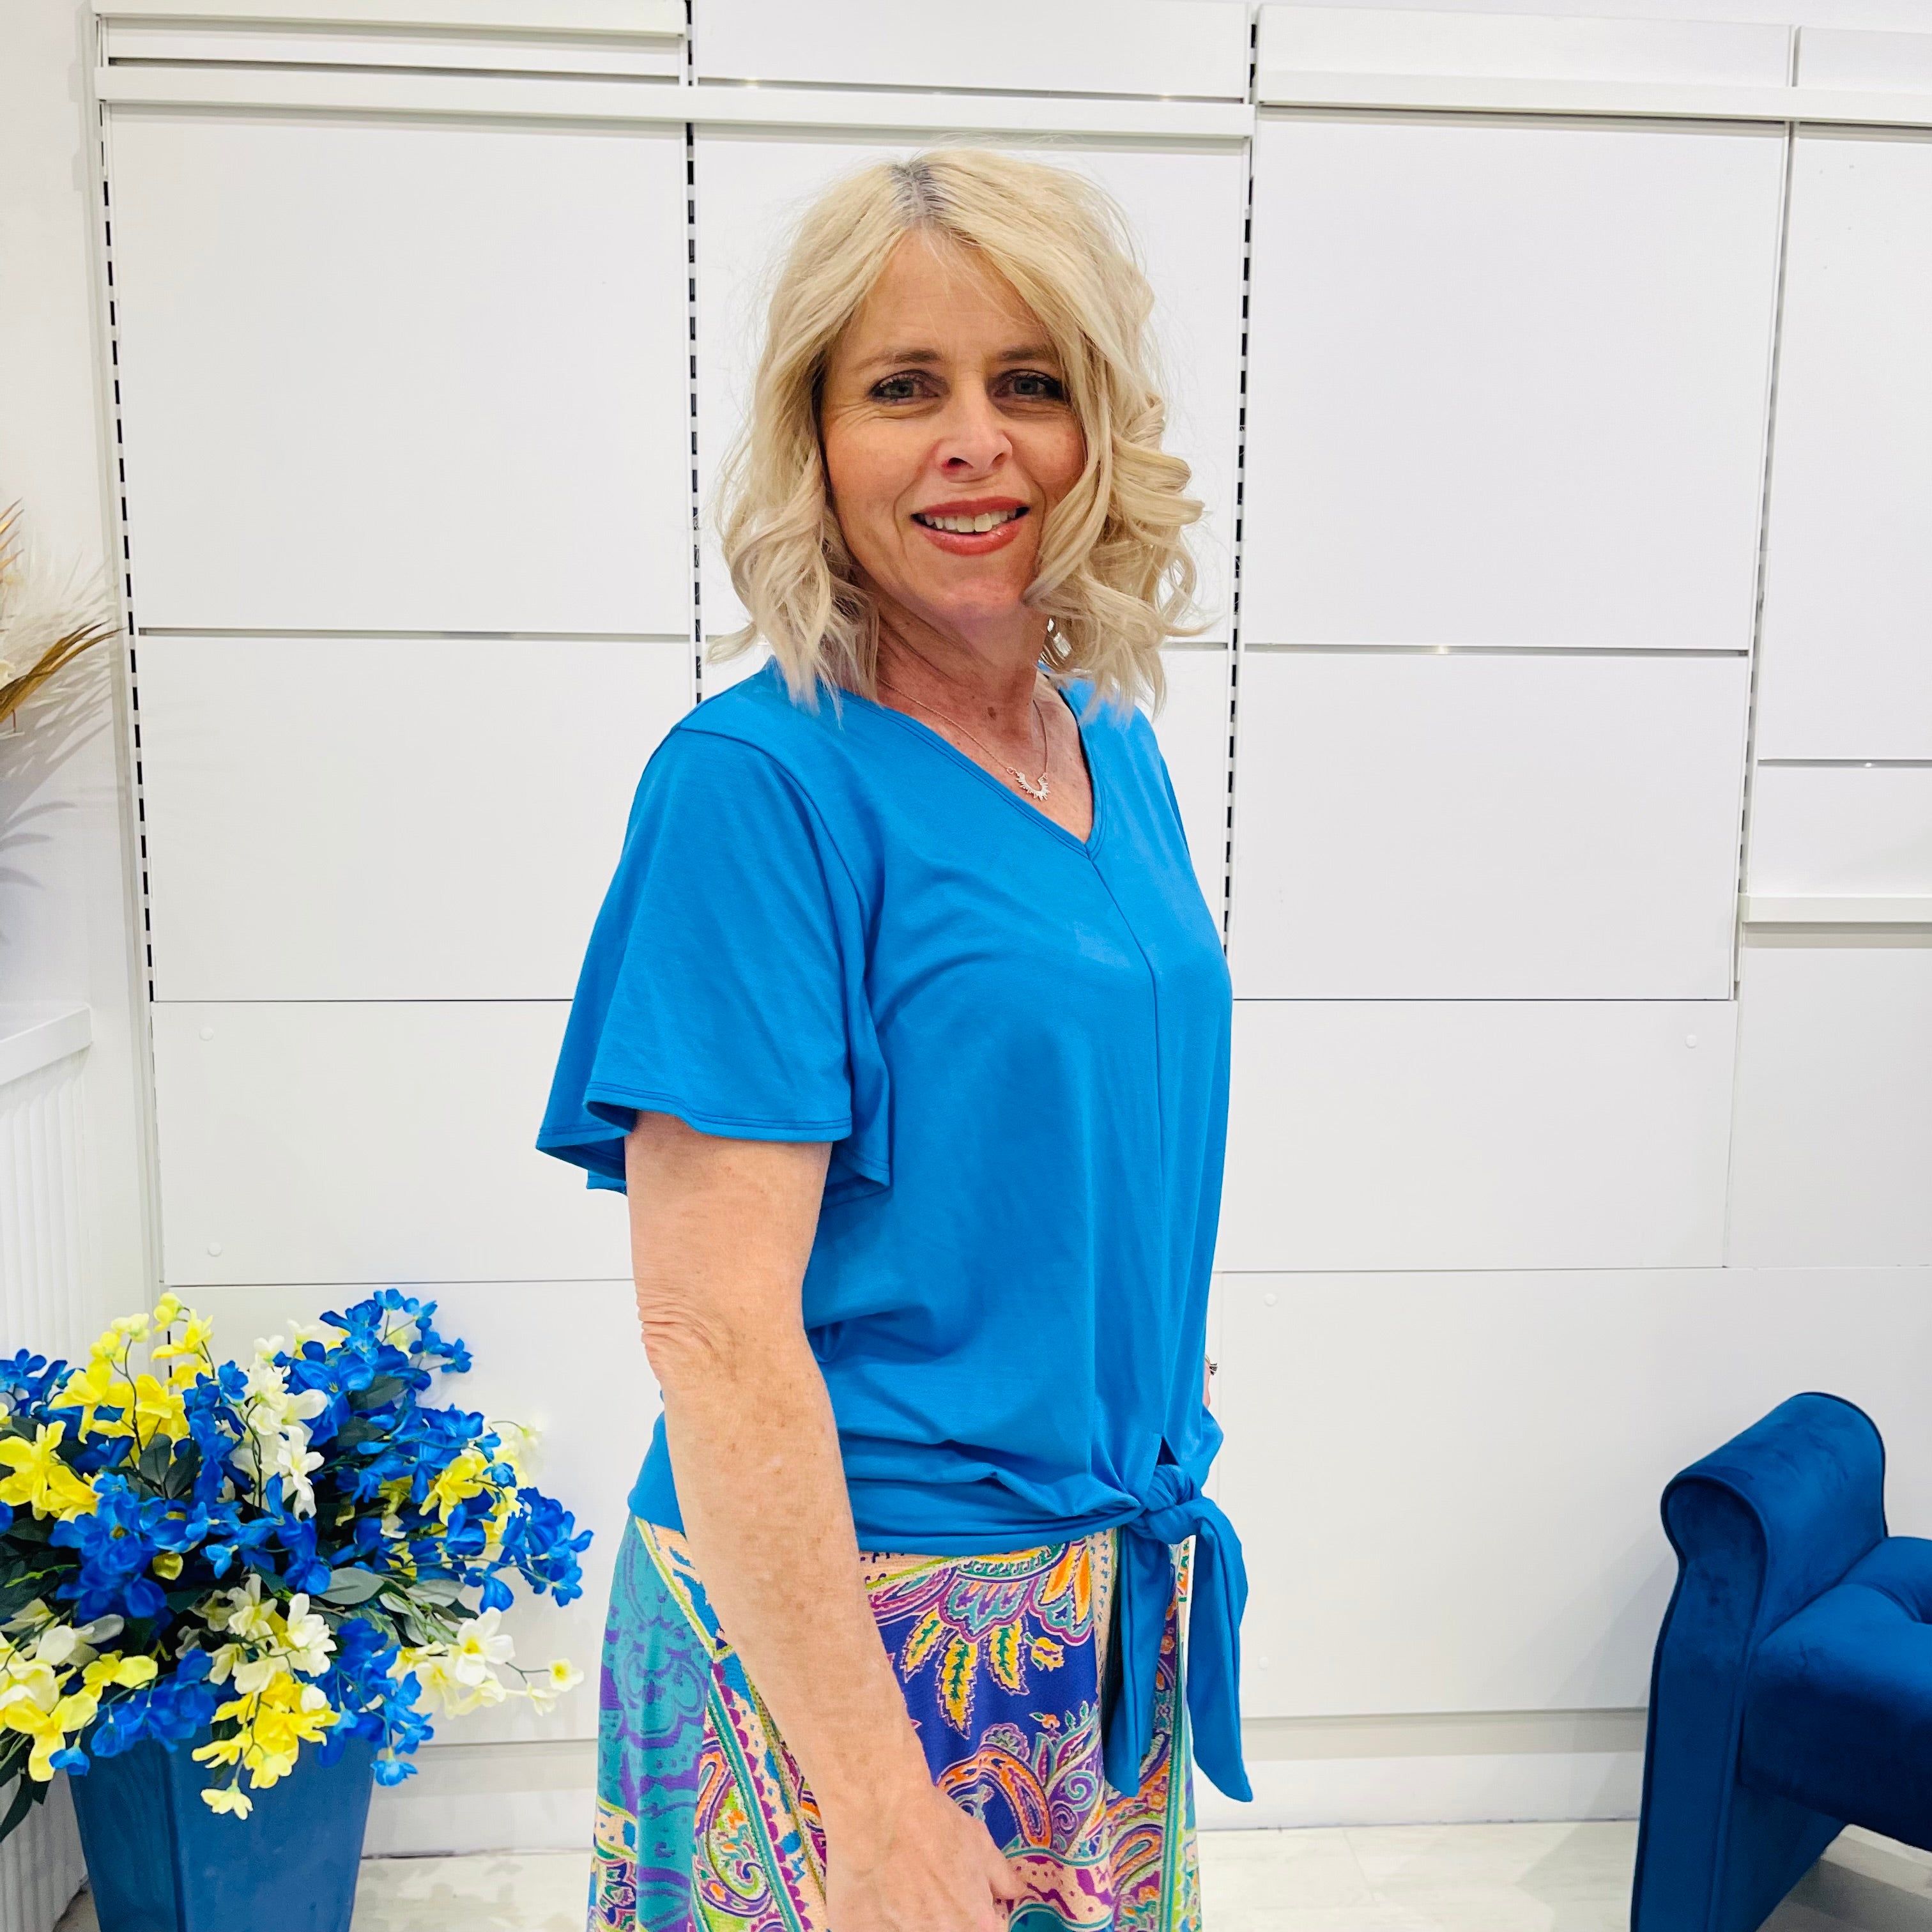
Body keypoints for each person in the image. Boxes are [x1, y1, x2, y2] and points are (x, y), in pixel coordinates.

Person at [539, 146, 1250, 1932]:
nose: (971, 441)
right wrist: (872, 1796)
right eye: (902, 387)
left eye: (1030, 385)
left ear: (1100, 428)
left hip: (1097, 1598)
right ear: (816, 436)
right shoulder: (760, 788)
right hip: (852, 1633)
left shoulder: (1115, 751)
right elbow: (713, 1329)